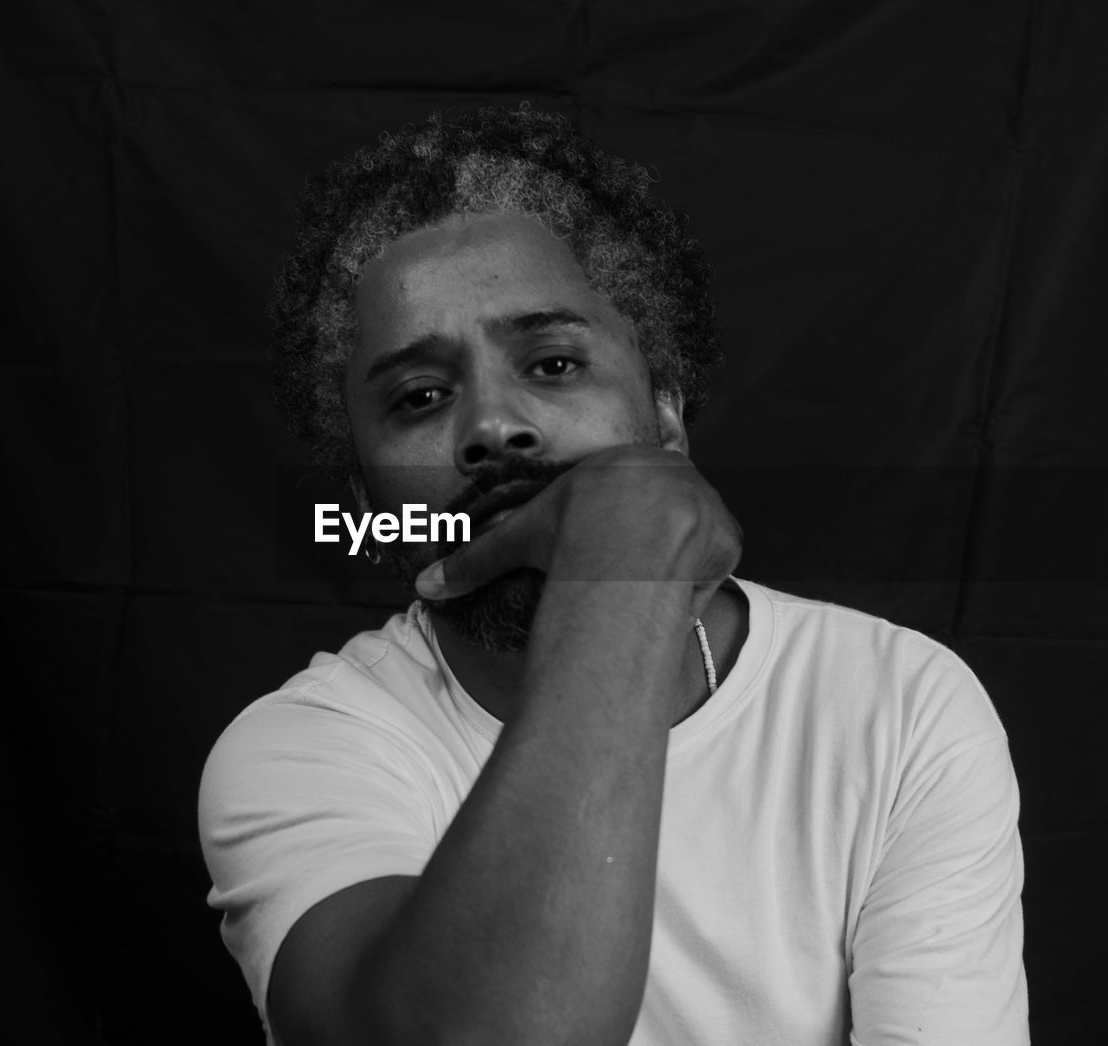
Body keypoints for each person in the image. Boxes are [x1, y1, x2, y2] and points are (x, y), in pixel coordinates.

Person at [198, 105, 1027, 1046]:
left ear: (666, 422)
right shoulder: (305, 751)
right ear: (370, 501)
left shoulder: (899, 704)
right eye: (420, 398)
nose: (493, 428)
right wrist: (620, 578)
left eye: (553, 364)